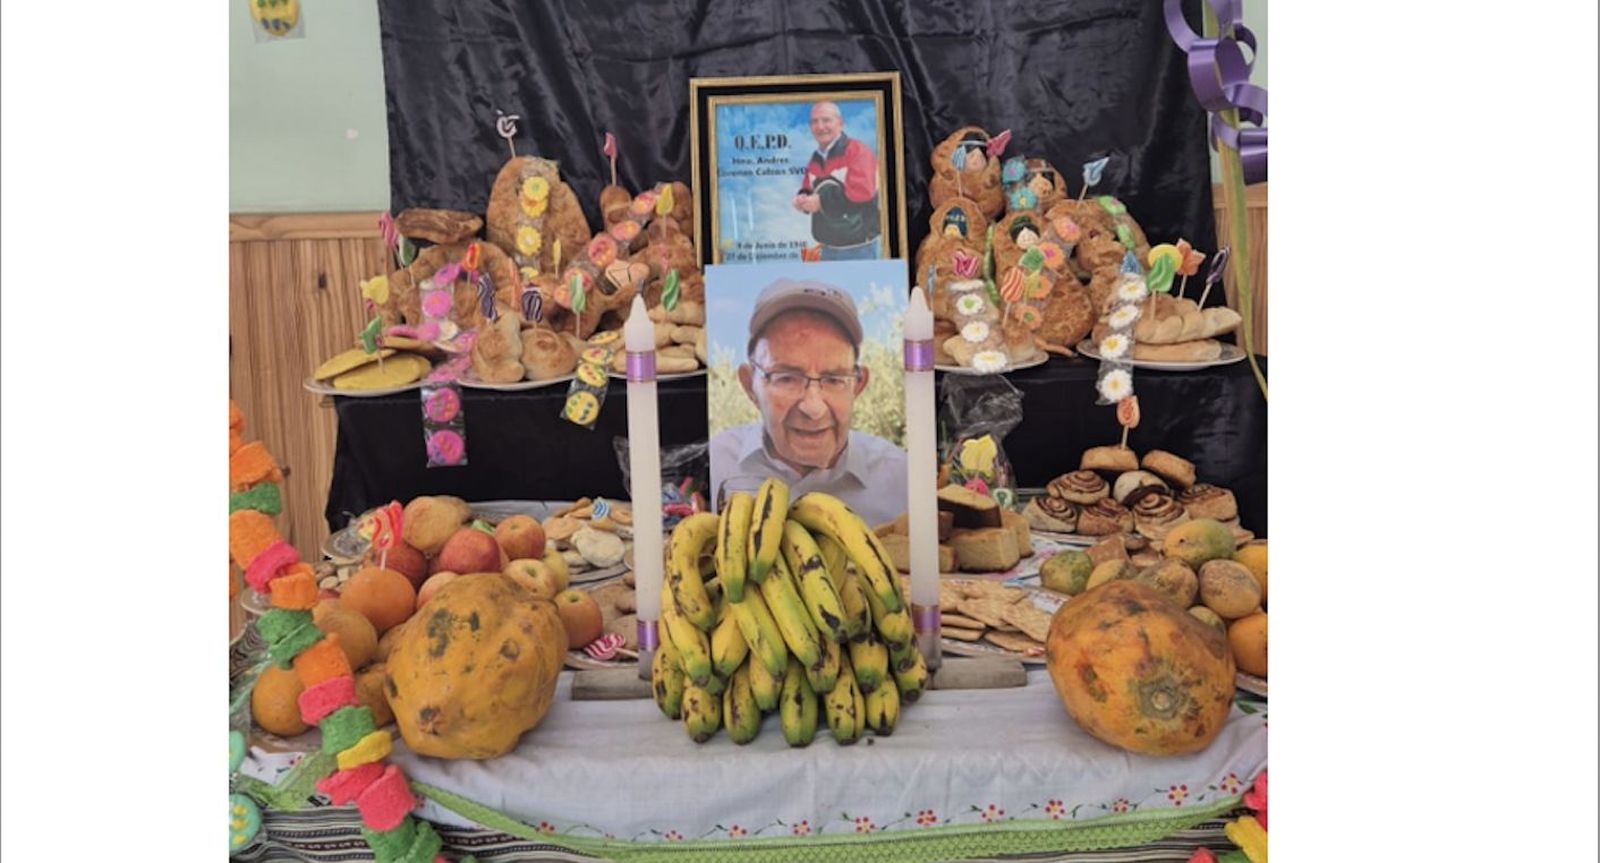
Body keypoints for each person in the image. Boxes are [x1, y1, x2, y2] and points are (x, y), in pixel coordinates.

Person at [710, 278, 907, 526]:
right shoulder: (715, 464)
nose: (813, 408)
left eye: (834, 379)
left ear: (858, 385)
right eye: (787, 378)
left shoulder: (902, 479)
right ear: (750, 385)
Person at [792, 102, 882, 261]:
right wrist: (803, 198)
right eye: (814, 121)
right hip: (828, 248)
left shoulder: (858, 151)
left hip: (859, 248)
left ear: (840, 123)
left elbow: (862, 192)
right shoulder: (815, 158)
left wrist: (821, 202)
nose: (820, 126)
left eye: (826, 120)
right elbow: (808, 186)